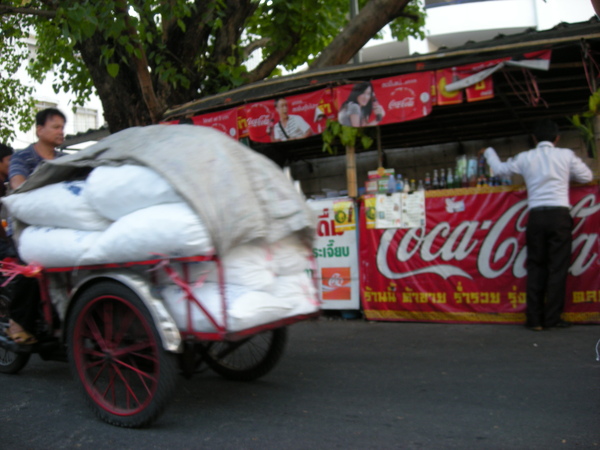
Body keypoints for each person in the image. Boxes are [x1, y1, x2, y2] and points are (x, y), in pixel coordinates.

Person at [481, 119, 593, 331]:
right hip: (559, 215)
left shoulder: (525, 157)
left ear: (534, 138)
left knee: (535, 266)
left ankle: (534, 320)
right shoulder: (566, 155)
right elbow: (586, 176)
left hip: (536, 217)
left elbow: (500, 170)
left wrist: (489, 152)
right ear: (557, 138)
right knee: (557, 268)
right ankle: (552, 318)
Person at [4, 108, 66, 345]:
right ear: (40, 130)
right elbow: (18, 185)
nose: (61, 131)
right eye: (55, 127)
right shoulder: (22, 158)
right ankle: (17, 323)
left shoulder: (64, 160)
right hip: (24, 227)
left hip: (58, 225)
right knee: (31, 268)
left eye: (62, 127)